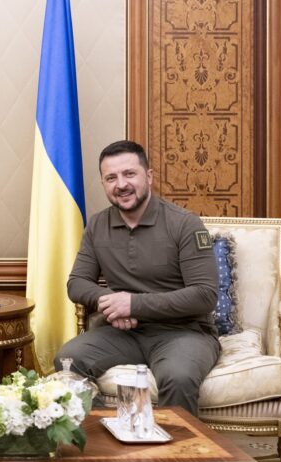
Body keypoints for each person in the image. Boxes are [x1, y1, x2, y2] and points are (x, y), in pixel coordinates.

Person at [55, 140, 219, 415]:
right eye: (111, 178)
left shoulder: (184, 223)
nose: (121, 184)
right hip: (123, 333)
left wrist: (133, 304)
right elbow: (77, 283)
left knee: (178, 378)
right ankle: (104, 447)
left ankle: (175, 458)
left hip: (183, 333)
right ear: (104, 184)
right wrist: (111, 302)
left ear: (149, 176)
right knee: (68, 360)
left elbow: (205, 294)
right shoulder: (97, 225)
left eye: (129, 174)